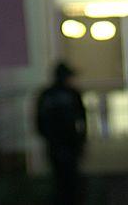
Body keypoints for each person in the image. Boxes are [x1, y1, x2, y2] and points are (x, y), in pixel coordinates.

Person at [36, 62, 87, 205]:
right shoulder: (71, 94)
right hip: (69, 141)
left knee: (60, 178)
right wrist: (82, 139)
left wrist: (46, 136)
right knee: (71, 178)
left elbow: (39, 120)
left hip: (55, 142)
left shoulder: (47, 95)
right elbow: (82, 118)